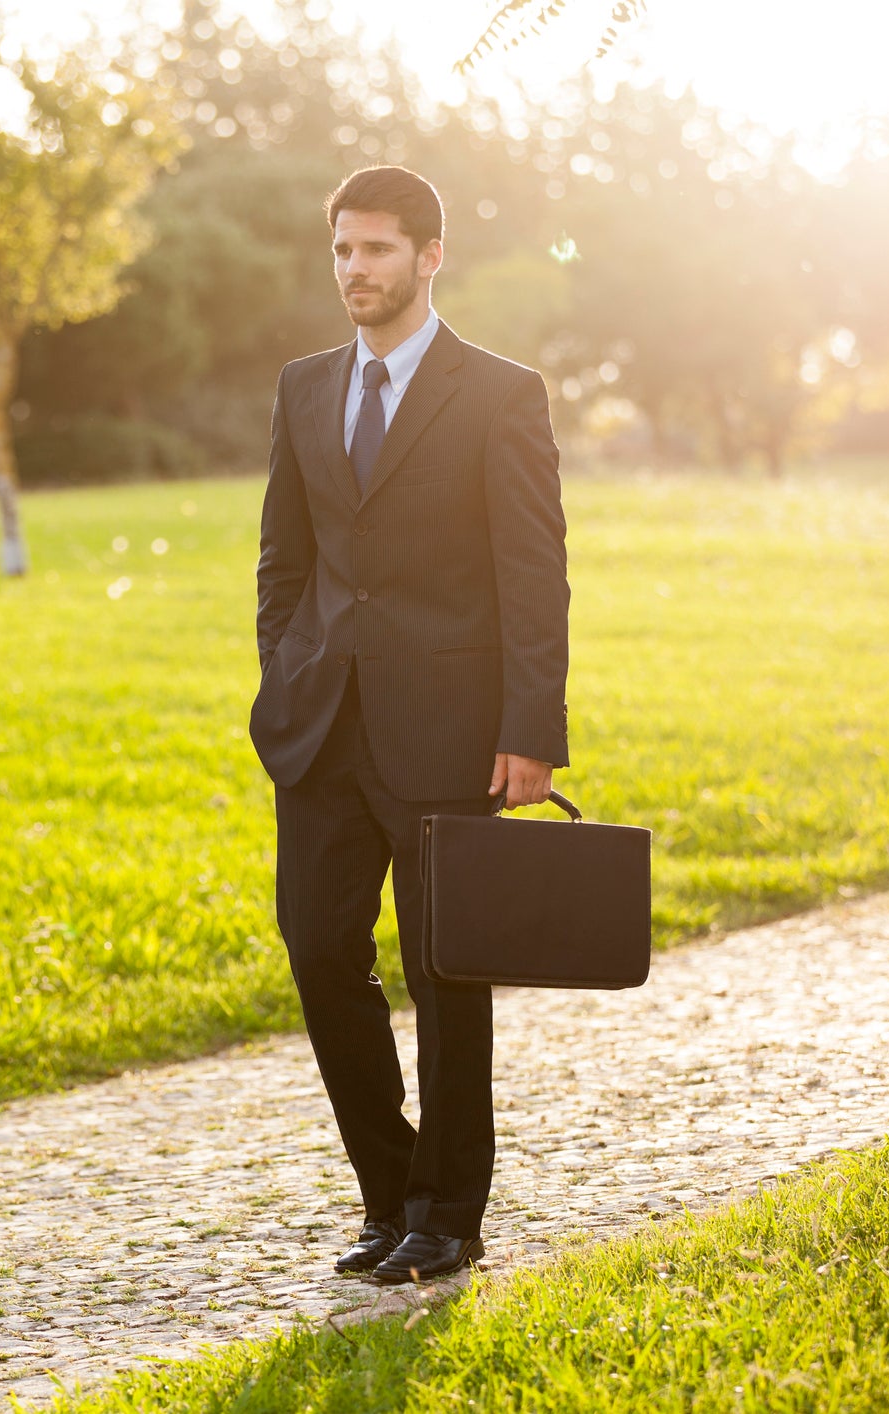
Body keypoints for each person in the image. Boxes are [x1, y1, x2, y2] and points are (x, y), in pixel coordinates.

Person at [249, 165, 571, 1284]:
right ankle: (387, 1196)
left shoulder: (500, 394)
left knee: (447, 974)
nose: (356, 269)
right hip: (320, 729)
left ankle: (448, 1213)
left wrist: (531, 727)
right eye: (343, 248)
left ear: (430, 257)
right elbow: (283, 559)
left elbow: (532, 572)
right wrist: (282, 675)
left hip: (450, 730)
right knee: (317, 951)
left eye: (378, 248)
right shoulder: (302, 387)